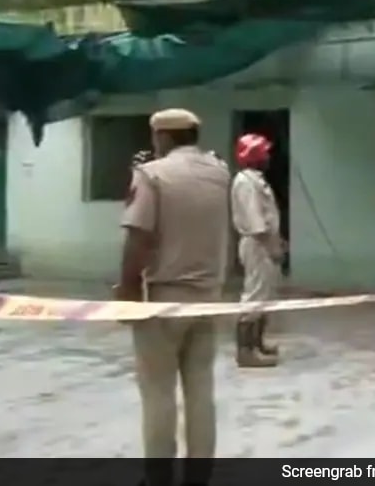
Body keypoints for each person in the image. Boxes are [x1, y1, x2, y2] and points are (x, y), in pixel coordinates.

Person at [118, 108, 229, 486]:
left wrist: (127, 289)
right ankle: (200, 474)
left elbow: (138, 236)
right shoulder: (220, 173)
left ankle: (158, 476)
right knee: (201, 388)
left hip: (165, 297)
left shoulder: (152, 174)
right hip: (209, 296)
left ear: (162, 137)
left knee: (158, 391)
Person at [230, 132, 285, 368]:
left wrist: (278, 240)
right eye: (264, 153)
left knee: (265, 295)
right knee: (254, 296)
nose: (268, 157)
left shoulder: (256, 180)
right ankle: (246, 350)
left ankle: (258, 343)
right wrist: (273, 247)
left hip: (264, 241)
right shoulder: (245, 183)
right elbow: (256, 223)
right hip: (257, 244)